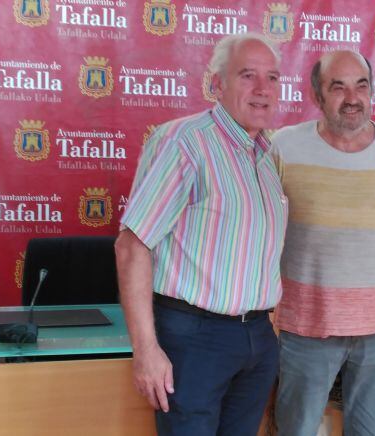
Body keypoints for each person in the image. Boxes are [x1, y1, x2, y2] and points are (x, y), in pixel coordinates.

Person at [114, 33, 287, 436]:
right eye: (248, 76)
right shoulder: (186, 144)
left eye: (273, 77)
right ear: (216, 84)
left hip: (257, 336)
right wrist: (146, 350)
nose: (263, 89)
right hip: (195, 340)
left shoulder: (266, 155)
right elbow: (132, 246)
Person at [272, 50, 375, 436]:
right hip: (306, 324)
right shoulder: (284, 146)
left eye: (361, 85)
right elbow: (255, 225)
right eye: (338, 86)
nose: (352, 97)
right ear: (317, 95)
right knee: (295, 429)